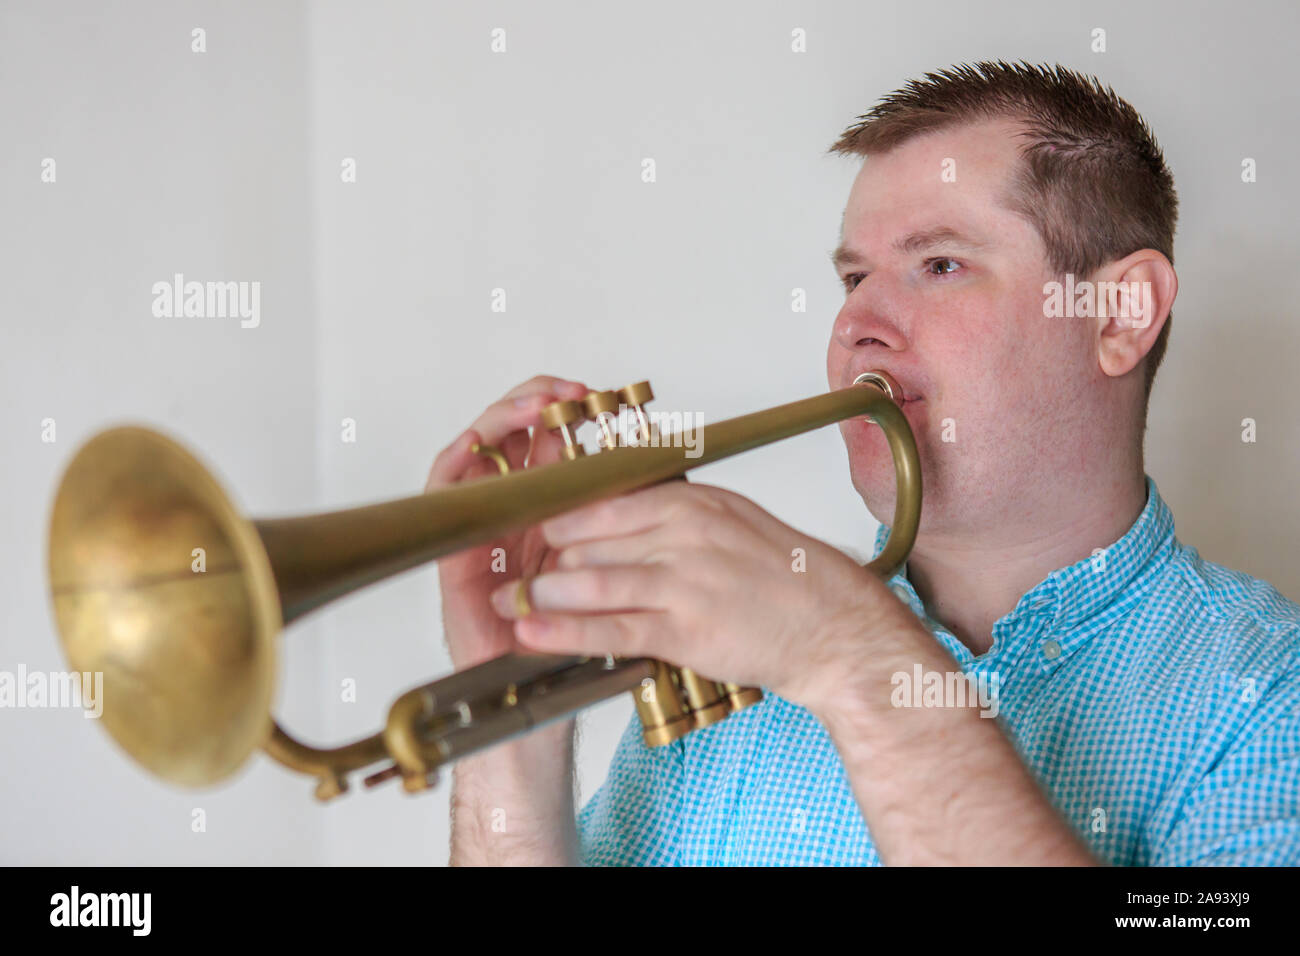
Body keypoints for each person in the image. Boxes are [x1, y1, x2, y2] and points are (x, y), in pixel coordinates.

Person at [429, 61, 1300, 866]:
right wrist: (510, 725)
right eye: (853, 279)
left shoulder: (1267, 697)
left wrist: (854, 655)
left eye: (940, 263)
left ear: (1119, 314)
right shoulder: (733, 658)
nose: (858, 325)